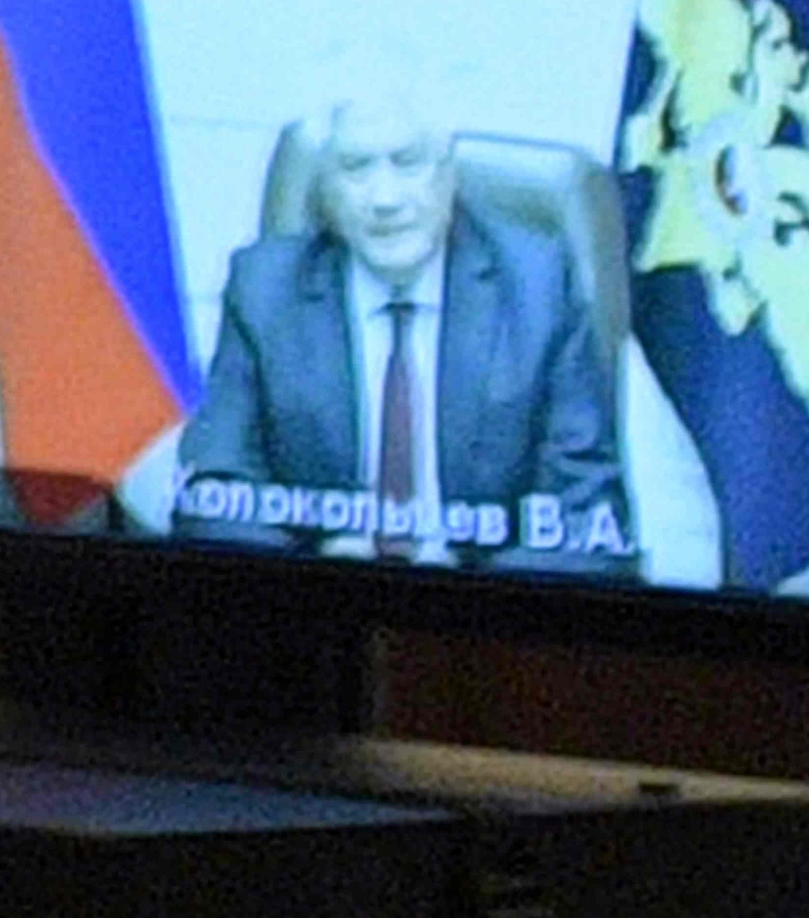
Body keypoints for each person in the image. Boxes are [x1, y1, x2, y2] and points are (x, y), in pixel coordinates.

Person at [180, 88, 628, 572]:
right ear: (325, 190)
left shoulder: (538, 285)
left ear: (449, 175)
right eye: (355, 169)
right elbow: (214, 491)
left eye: (409, 163)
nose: (385, 199)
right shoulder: (264, 289)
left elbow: (587, 512)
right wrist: (312, 575)